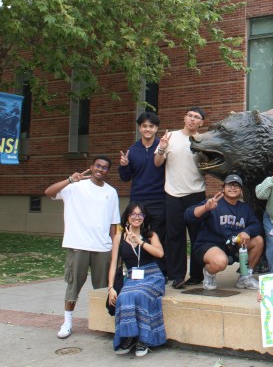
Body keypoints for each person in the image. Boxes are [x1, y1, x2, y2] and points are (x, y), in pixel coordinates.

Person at [45, 156, 120, 339]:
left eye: (104, 167)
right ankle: (67, 322)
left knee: (103, 288)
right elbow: (48, 192)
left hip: (102, 248)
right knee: (73, 286)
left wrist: (116, 251)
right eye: (97, 166)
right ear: (91, 167)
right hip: (78, 245)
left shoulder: (111, 192)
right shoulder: (75, 187)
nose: (100, 169)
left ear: (107, 171)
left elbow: (114, 225)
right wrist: (70, 179)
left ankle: (105, 322)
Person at [154, 106, 207, 289]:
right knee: (175, 237)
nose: (192, 119)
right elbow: (157, 163)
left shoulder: (203, 140)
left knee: (197, 236)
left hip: (196, 193)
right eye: (190, 115)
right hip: (173, 194)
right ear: (184, 118)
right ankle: (177, 276)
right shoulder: (170, 137)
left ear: (201, 123)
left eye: (197, 117)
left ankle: (197, 275)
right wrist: (161, 148)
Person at [184, 175, 263, 290]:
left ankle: (245, 277)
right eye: (229, 185)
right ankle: (209, 274)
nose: (233, 188)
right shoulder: (213, 203)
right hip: (210, 245)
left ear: (241, 190)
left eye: (236, 185)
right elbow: (188, 215)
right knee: (220, 261)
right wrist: (205, 208)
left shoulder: (244, 208)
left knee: (258, 241)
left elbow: (257, 225)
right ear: (223, 188)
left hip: (232, 245)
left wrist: (247, 231)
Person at [108, 202, 166, 357]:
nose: (137, 217)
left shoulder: (150, 235)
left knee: (139, 294)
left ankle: (143, 339)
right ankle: (129, 337)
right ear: (127, 216)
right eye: (133, 214)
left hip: (153, 276)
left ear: (144, 218)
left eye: (140, 214)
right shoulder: (118, 238)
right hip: (133, 277)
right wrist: (110, 288)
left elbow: (160, 254)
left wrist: (140, 241)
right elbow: (114, 264)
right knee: (125, 296)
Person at [118, 111, 167, 275]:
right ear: (140, 128)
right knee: (136, 234)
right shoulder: (133, 150)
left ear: (156, 128)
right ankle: (135, 268)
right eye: (144, 126)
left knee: (158, 236)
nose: (148, 129)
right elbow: (125, 178)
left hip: (159, 199)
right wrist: (124, 165)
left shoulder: (162, 146)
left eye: (151, 126)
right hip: (138, 201)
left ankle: (161, 272)